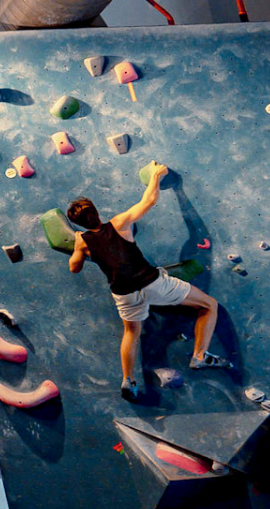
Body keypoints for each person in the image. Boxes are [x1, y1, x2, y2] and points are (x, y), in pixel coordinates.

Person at [67, 162, 231, 402]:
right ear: (96, 212)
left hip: (125, 294)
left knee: (131, 333)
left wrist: (79, 246)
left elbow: (74, 267)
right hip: (153, 284)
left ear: (79, 223)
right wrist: (155, 176)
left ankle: (128, 380)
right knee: (209, 305)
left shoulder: (82, 240)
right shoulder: (119, 223)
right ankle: (199, 355)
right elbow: (149, 201)